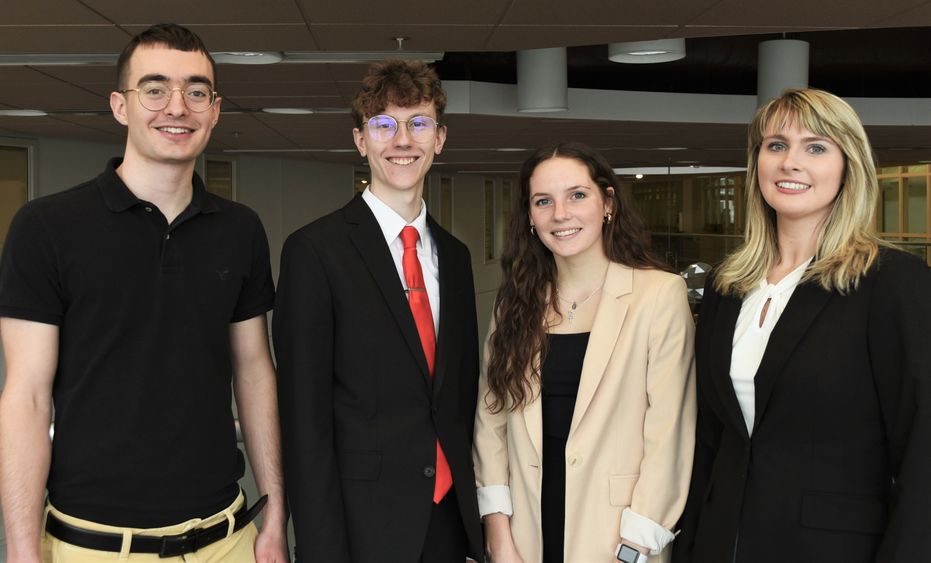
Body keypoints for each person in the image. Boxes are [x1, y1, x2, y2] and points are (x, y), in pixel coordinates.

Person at [0, 23, 288, 563]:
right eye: (154, 89)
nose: (177, 107)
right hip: (90, 546)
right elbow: (27, 397)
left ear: (215, 109)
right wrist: (19, 548)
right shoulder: (46, 228)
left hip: (226, 541)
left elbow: (254, 370)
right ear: (120, 106)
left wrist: (275, 516)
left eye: (196, 91)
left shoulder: (240, 230)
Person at [672, 88, 931, 563]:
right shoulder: (728, 286)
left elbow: (923, 448)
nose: (791, 161)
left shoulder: (891, 282)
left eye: (816, 147)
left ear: (848, 166)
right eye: (776, 145)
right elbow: (711, 440)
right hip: (720, 543)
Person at [273, 59, 483, 562]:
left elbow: (460, 397)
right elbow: (304, 420)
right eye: (384, 125)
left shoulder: (455, 257)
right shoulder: (315, 251)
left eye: (418, 123)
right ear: (360, 140)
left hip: (451, 521)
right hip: (360, 525)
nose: (402, 140)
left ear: (440, 138)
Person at [473, 141, 696, 563]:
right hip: (525, 533)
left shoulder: (659, 294)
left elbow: (670, 435)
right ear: (531, 217)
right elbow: (491, 421)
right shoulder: (515, 303)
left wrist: (634, 549)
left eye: (577, 195)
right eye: (544, 201)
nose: (561, 214)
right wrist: (498, 534)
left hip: (619, 538)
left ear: (607, 202)